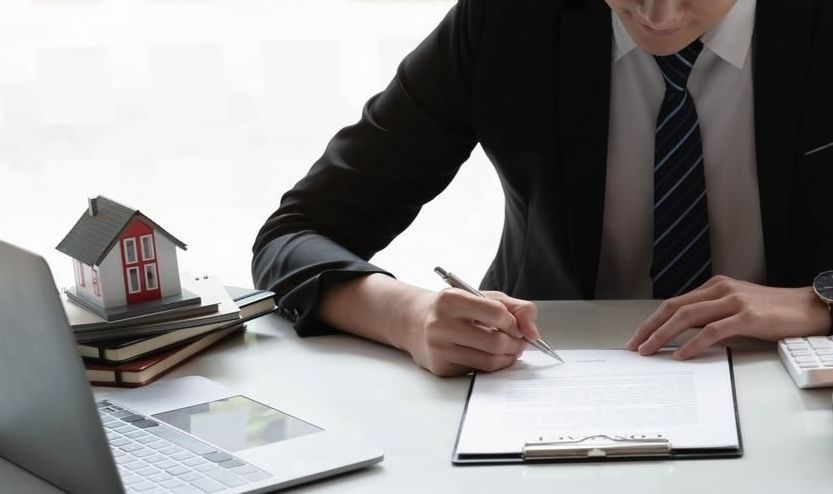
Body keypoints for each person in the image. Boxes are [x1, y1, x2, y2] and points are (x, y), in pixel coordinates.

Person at [252, 0, 833, 376]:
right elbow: (296, 237)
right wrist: (408, 315)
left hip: (793, 385)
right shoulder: (507, 19)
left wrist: (819, 300)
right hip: (541, 384)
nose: (657, 14)